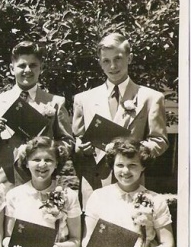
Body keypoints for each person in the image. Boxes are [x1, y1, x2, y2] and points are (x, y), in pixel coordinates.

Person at [72, 32, 168, 207]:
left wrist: (134, 150)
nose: (113, 66)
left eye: (118, 59)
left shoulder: (150, 97)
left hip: (132, 181)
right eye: (106, 61)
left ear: (129, 58)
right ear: (100, 62)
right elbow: (77, 139)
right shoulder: (83, 99)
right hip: (94, 183)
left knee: (131, 231)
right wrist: (80, 147)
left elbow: (159, 141)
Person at [0, 41, 73, 189]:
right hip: (3, 181)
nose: (27, 70)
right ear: (12, 68)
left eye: (33, 65)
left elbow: (67, 142)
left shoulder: (55, 102)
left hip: (40, 180)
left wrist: (49, 148)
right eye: (22, 65)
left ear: (41, 68)